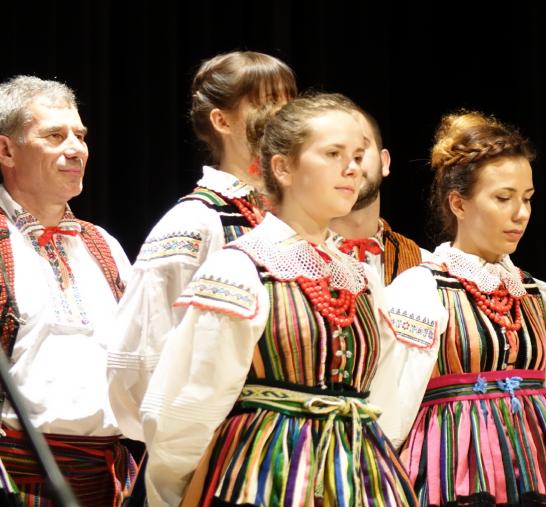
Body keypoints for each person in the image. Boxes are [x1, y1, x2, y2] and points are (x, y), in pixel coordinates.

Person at [141, 92, 418, 506]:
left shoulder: (360, 278)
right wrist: (171, 493)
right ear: (283, 167)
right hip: (265, 474)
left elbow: (385, 402)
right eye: (333, 154)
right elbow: (191, 404)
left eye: (359, 156)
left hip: (357, 475)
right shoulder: (242, 269)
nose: (352, 168)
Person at [378, 111, 546, 505]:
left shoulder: (540, 295)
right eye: (503, 198)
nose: (521, 213)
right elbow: (394, 407)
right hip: (453, 473)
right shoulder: (421, 290)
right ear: (458, 203)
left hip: (536, 469)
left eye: (527, 198)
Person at [106, 51, 297, 441]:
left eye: (289, 101)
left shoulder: (294, 217)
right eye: (267, 102)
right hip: (223, 445)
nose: (285, 115)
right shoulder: (197, 222)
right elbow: (144, 359)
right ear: (221, 120)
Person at [0, 76, 133, 504]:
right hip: (17, 478)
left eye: (80, 135)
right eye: (55, 136)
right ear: (6, 151)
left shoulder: (102, 245)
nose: (76, 149)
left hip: (108, 475)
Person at [329, 100, 429, 284]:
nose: (350, 164)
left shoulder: (425, 266)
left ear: (384, 162)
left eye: (360, 149)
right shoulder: (291, 260)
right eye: (334, 153)